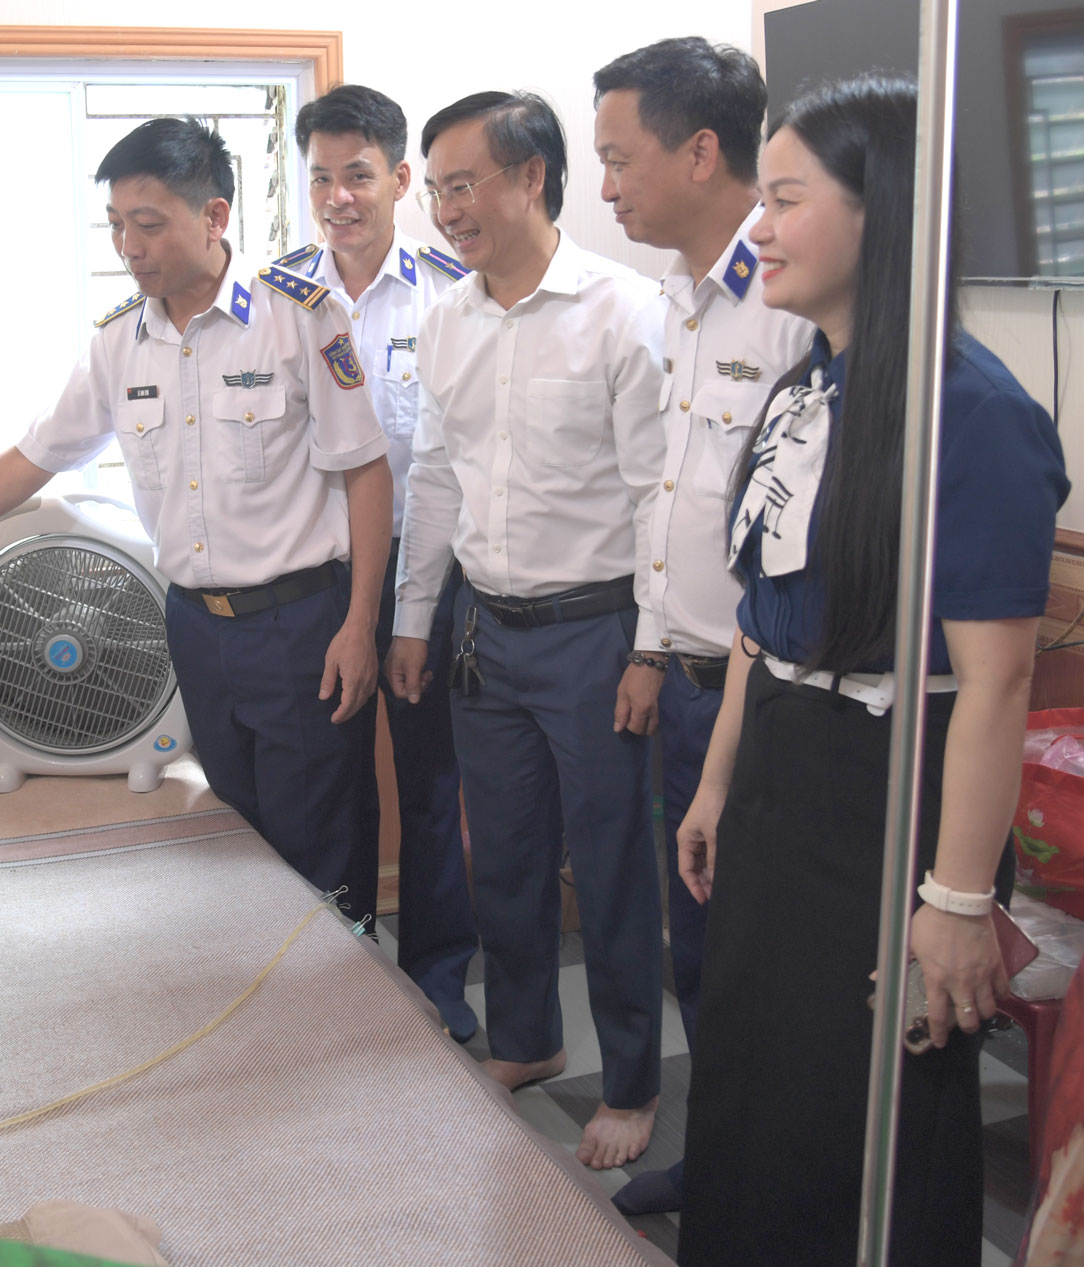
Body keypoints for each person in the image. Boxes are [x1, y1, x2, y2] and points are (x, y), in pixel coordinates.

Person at [674, 76, 1068, 1266]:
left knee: (858, 1101)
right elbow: (760, 617)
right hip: (777, 762)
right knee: (749, 1063)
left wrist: (955, 903)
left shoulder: (972, 414)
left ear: (881, 208)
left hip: (887, 788)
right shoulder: (805, 383)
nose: (758, 226)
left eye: (785, 199)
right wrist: (716, 784)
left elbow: (994, 685)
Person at [0, 118, 393, 929]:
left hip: (301, 623)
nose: (130, 246)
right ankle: (271, 987)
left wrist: (360, 624)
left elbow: (366, 472)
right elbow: (32, 459)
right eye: (117, 225)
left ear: (215, 216)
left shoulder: (301, 317)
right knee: (241, 831)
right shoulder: (119, 341)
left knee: (321, 834)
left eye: (149, 224)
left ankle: (350, 993)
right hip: (195, 626)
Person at [386, 90, 668, 1170]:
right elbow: (434, 474)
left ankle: (633, 1080)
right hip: (481, 631)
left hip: (596, 632)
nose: (446, 209)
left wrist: (650, 647)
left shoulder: (623, 310)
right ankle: (526, 1039)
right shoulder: (447, 317)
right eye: (437, 188)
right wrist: (414, 618)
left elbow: (655, 495)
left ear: (533, 178)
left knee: (609, 864)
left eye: (463, 184)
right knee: (500, 856)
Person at [589, 37, 813, 1216]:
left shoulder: (787, 303)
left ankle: (771, 1179)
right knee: (700, 946)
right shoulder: (675, 301)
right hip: (680, 678)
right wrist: (646, 641)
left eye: (620, 160)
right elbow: (661, 493)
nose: (606, 188)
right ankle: (720, 1154)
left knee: (766, 957)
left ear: (700, 151)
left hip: (764, 693)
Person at [279, 83, 481, 1040]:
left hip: (429, 568)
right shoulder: (281, 298)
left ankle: (437, 978)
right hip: (318, 574)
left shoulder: (453, 290)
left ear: (400, 179)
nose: (338, 197)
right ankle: (343, 969)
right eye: (321, 177)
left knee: (432, 783)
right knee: (332, 783)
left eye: (357, 175)